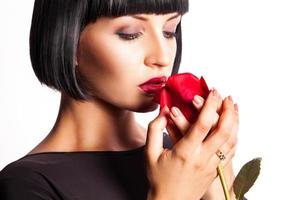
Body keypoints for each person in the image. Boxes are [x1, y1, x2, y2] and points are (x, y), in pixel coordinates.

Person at [0, 0, 242, 199]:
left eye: (169, 31)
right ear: (69, 40)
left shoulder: (185, 158)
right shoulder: (27, 186)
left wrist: (221, 187)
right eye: (130, 34)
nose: (162, 56)